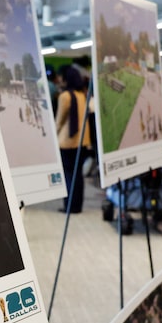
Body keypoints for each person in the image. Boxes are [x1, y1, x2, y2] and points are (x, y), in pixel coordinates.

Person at [55, 65, 91, 214]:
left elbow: (60, 120)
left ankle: (69, 206)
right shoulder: (82, 95)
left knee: (68, 175)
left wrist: (54, 135)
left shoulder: (65, 96)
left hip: (67, 142)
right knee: (78, 175)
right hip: (82, 141)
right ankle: (77, 206)